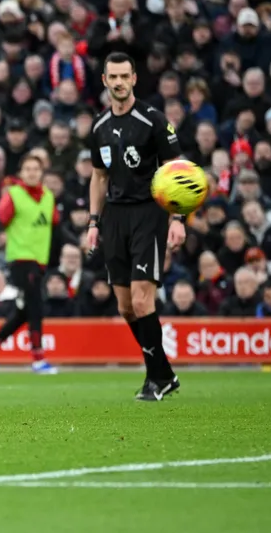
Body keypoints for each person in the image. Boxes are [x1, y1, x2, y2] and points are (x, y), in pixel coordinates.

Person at [87, 52, 184, 402]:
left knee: (144, 299)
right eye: (112, 77)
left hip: (149, 213)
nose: (118, 83)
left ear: (134, 78)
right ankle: (164, 374)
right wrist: (93, 222)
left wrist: (178, 219)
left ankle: (155, 379)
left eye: (124, 76)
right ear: (104, 80)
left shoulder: (154, 120)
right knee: (126, 307)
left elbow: (178, 169)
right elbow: (98, 177)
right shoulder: (98, 126)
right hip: (114, 217)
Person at [0, 154, 58, 374]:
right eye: (27, 169)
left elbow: (56, 227)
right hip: (21, 260)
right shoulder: (14, 196)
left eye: (36, 169)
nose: (32, 173)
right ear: (21, 173)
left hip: (39, 260)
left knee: (25, 310)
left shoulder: (48, 197)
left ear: (42, 173)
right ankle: (38, 359)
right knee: (36, 308)